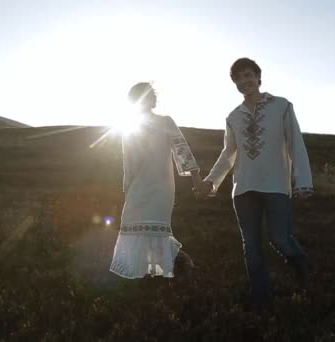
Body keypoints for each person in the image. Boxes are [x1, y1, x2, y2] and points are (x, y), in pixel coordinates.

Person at [196, 58, 313, 307]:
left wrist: (302, 180)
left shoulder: (281, 106)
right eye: (238, 78)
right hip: (243, 188)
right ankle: (262, 300)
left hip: (276, 185)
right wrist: (211, 182)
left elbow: (295, 143)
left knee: (280, 238)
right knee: (251, 246)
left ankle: (302, 268)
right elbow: (228, 155)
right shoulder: (233, 117)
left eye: (247, 75)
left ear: (258, 77)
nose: (243, 81)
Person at [109, 82, 210, 279]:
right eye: (137, 97)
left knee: (157, 230)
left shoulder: (165, 122)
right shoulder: (129, 127)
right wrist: (127, 189)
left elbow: (183, 151)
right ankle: (147, 275)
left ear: (152, 99)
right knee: (134, 228)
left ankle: (183, 264)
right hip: (137, 189)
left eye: (146, 96)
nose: (142, 101)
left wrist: (197, 181)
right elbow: (127, 161)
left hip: (161, 189)